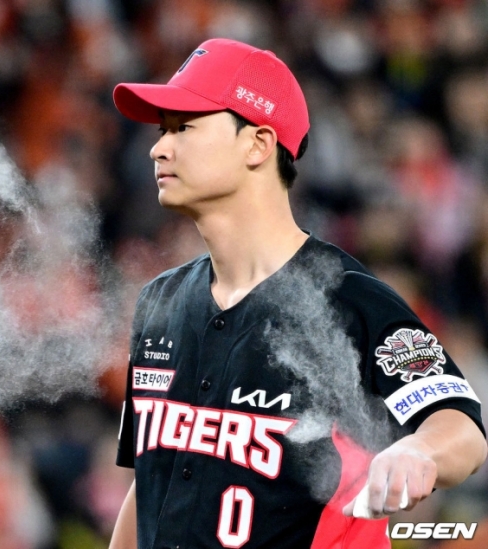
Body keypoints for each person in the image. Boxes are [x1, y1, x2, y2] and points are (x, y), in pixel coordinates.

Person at [109, 38, 487, 549]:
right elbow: (151, 481)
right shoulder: (160, 302)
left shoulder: (347, 301)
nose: (159, 148)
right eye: (162, 130)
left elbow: (462, 430)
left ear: (258, 144)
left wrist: (418, 451)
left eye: (184, 127)